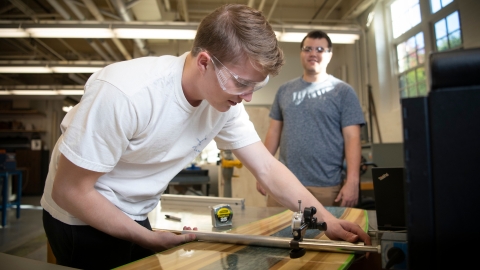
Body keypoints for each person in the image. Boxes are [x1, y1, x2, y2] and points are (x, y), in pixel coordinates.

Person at [41, 5, 370, 269]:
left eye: (257, 86)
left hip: (136, 211)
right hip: (79, 218)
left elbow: (268, 169)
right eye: (243, 83)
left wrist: (327, 221)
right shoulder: (125, 94)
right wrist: (147, 238)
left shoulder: (225, 104)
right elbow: (71, 191)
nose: (249, 97)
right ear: (204, 62)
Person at [257, 30, 365, 208]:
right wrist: (263, 172)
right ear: (301, 53)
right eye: (308, 49)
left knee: (325, 236)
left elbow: (352, 138)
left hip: (326, 187)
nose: (313, 53)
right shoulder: (284, 90)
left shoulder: (343, 92)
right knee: (277, 235)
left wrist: (352, 182)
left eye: (320, 49)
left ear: (329, 55)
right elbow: (274, 131)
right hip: (283, 184)